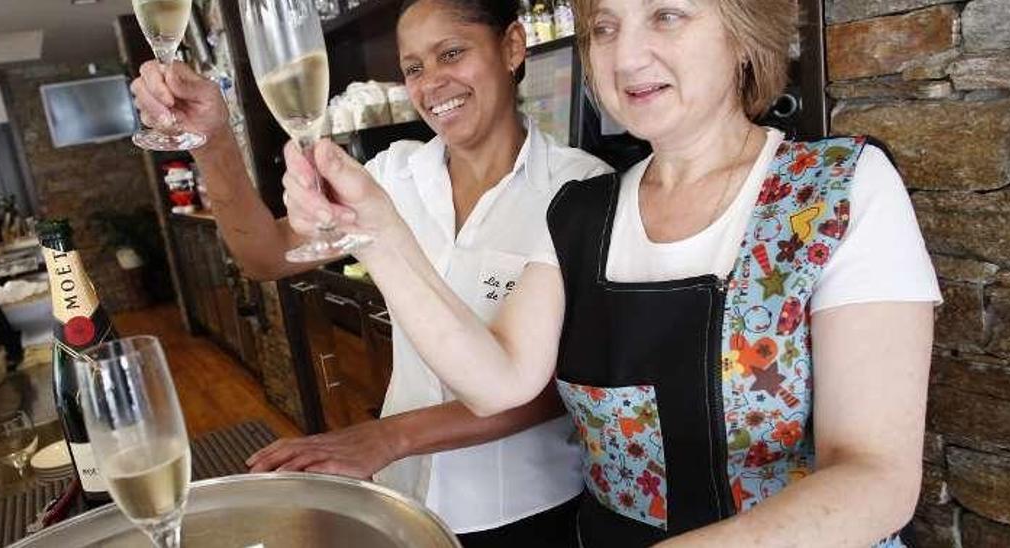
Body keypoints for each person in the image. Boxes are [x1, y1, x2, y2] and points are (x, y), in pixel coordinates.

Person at [278, 0, 943, 546]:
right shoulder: (582, 211)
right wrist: (379, 233)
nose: (626, 56)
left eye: (666, 16)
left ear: (743, 32)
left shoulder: (835, 191)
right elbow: (497, 380)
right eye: (604, 27)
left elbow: (876, 478)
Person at [130, 0, 612, 545]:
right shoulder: (391, 174)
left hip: (525, 509)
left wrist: (392, 435)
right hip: (405, 495)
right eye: (413, 68)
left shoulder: (580, 189)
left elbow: (559, 385)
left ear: (512, 47)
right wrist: (214, 142)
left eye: (451, 53)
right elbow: (264, 256)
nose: (432, 83)